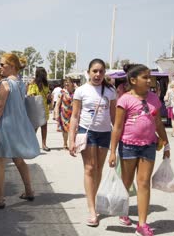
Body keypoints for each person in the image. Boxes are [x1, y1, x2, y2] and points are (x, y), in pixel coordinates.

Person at [108, 64, 170, 236]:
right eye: (145, 77)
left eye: (150, 77)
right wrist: (113, 151)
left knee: (144, 183)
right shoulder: (125, 99)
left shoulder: (154, 99)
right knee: (126, 183)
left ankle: (142, 224)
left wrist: (166, 143)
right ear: (133, 80)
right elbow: (117, 128)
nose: (149, 80)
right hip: (128, 146)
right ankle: (123, 211)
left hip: (149, 146)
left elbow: (158, 122)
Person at [0, 53, 40, 209]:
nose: (0, 67)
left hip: (5, 126)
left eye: (3, 64)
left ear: (12, 66)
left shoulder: (5, 84)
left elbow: (0, 107)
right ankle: (29, 191)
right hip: (18, 125)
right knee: (18, 159)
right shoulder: (21, 83)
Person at [68, 59, 116, 227]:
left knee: (98, 169)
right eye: (94, 71)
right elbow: (74, 116)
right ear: (88, 72)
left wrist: (120, 136)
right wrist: (70, 138)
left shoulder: (110, 92)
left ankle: (94, 200)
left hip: (104, 134)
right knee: (89, 167)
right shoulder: (81, 91)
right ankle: (92, 209)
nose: (98, 74)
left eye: (101, 71)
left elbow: (114, 117)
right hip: (86, 133)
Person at [27, 67, 51, 152]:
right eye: (44, 72)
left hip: (44, 108)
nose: (45, 74)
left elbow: (48, 92)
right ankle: (31, 144)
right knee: (35, 127)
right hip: (36, 108)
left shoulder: (46, 84)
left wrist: (48, 95)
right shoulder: (33, 83)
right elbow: (31, 95)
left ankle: (44, 144)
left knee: (44, 126)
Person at [54, 77, 75, 149]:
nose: (66, 83)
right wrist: (56, 114)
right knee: (65, 130)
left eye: (68, 82)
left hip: (73, 114)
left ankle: (72, 143)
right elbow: (57, 104)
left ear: (72, 83)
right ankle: (65, 143)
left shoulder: (76, 92)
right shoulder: (62, 92)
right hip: (64, 114)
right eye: (65, 82)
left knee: (73, 129)